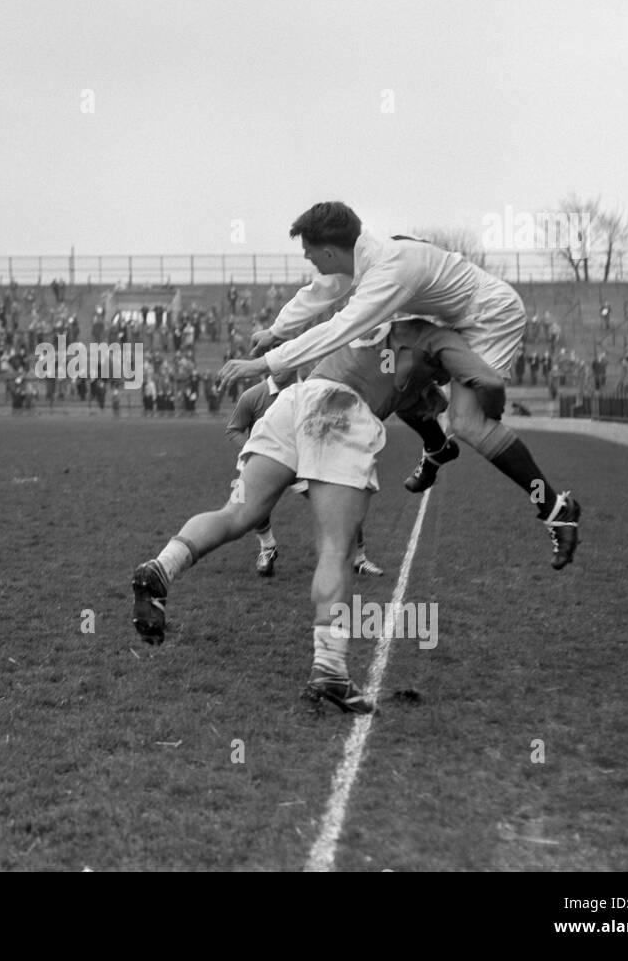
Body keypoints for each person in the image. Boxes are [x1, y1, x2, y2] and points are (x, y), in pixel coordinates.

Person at [134, 318, 502, 713]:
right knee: (337, 548)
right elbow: (484, 384)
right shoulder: (439, 338)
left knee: (238, 513)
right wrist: (487, 410)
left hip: (295, 401)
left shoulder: (380, 313)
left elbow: (406, 386)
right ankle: (329, 669)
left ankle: (160, 568)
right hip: (339, 412)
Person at [218, 202, 580, 569]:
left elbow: (339, 329)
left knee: (468, 422)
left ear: (329, 251)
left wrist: (264, 362)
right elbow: (319, 291)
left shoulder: (389, 272)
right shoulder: (364, 258)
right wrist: (275, 331)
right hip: (451, 317)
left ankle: (555, 508)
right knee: (397, 375)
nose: (310, 260)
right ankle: (437, 446)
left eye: (310, 254)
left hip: (490, 317)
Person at [224, 372, 389, 579]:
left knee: (342, 502)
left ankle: (359, 558)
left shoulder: (313, 389)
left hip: (307, 462)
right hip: (271, 462)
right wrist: (259, 450)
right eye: (276, 353)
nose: (282, 365)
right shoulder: (252, 396)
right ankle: (267, 548)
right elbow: (233, 429)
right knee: (249, 503)